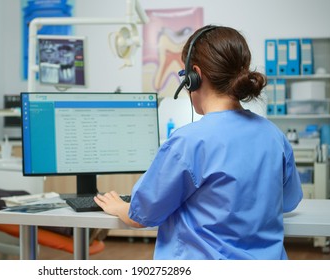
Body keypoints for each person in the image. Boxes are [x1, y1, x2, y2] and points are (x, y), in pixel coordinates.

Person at [94, 25, 303, 260]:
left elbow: (142, 215)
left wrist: (119, 207)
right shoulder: (274, 136)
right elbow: (290, 201)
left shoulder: (187, 142)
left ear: (195, 76)